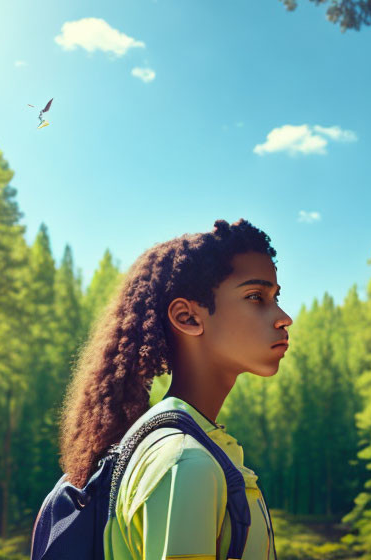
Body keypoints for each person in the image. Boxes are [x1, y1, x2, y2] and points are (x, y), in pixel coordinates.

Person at [58, 218, 293, 560]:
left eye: (275, 297)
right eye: (256, 297)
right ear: (188, 318)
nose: (283, 317)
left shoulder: (191, 448)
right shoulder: (185, 461)